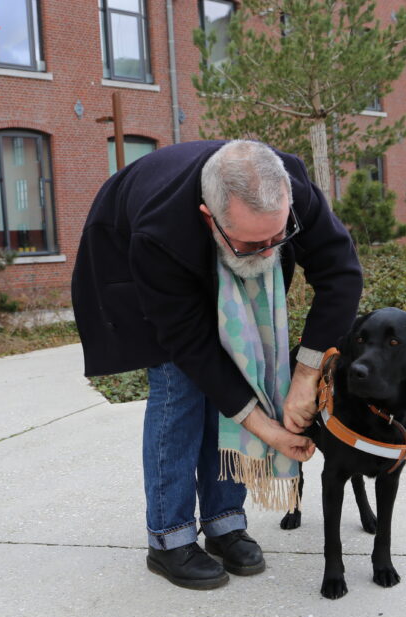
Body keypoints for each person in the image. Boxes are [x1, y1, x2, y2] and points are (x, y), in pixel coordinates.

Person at [71, 140, 362, 590]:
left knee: (244, 366)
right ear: (211, 218)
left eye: (277, 239)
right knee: (181, 387)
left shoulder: (292, 185)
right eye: (253, 244)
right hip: (129, 255)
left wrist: (305, 376)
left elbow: (341, 272)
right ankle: (169, 538)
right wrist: (268, 429)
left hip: (211, 244)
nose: (269, 255)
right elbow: (192, 346)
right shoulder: (159, 232)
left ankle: (224, 521)